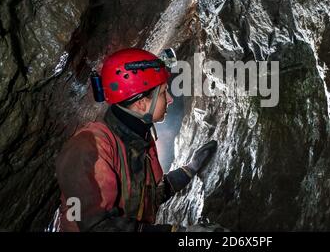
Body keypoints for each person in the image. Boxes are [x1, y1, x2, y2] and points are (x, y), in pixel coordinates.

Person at [54, 48, 217, 231]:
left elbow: (147, 197)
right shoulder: (89, 149)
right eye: (163, 92)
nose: (170, 99)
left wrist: (189, 170)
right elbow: (98, 227)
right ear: (141, 103)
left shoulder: (138, 141)